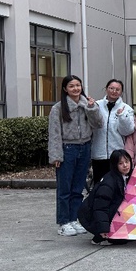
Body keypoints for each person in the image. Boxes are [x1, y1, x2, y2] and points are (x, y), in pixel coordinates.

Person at [48, 75, 104, 236]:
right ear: (65, 89)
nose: (75, 89)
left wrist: (92, 108)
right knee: (65, 188)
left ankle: (74, 219)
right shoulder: (58, 108)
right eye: (71, 86)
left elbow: (98, 124)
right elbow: (54, 133)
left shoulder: (88, 104)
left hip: (84, 147)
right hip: (67, 148)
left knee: (78, 188)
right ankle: (64, 222)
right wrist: (56, 156)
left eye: (78, 85)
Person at [81, 149, 132, 246]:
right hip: (91, 215)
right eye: (121, 163)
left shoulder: (126, 176)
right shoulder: (109, 182)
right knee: (121, 241)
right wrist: (103, 229)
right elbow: (100, 207)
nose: (125, 165)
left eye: (127, 161)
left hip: (106, 213)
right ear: (115, 165)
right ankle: (100, 236)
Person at [91, 79, 135, 184]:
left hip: (117, 154)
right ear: (106, 89)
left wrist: (122, 116)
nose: (114, 91)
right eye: (111, 88)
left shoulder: (126, 108)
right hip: (98, 153)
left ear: (121, 92)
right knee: (99, 183)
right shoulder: (96, 105)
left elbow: (127, 131)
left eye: (117, 89)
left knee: (117, 183)